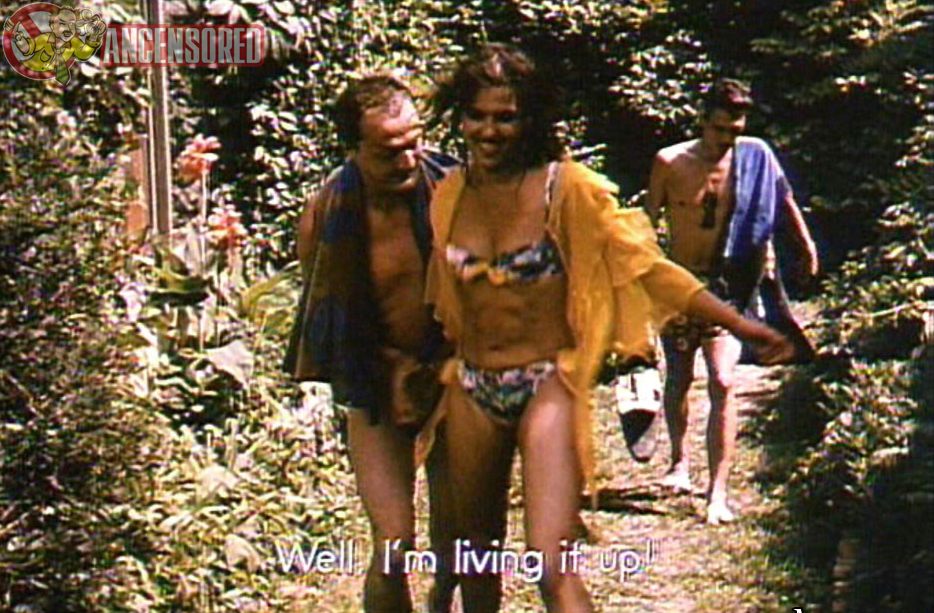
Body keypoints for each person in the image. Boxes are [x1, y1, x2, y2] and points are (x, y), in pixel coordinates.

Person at [427, 45, 794, 613]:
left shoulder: (566, 189)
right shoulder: (448, 194)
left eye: (506, 116)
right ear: (460, 117)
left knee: (552, 562)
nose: (489, 131)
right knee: (477, 556)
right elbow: (435, 296)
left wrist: (742, 325)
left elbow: (646, 267)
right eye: (477, 115)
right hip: (472, 386)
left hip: (546, 385)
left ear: (531, 119)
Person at [283, 74, 459, 613]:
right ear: (353, 148)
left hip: (456, 376)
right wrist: (393, 369)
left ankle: (444, 596)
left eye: (415, 142)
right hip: (374, 384)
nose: (407, 160)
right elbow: (332, 317)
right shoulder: (328, 214)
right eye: (388, 151)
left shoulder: (458, 190)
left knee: (458, 543)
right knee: (392, 544)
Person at [646, 78, 819, 525]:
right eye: (719, 128)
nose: (727, 138)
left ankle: (717, 493)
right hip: (681, 286)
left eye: (735, 129)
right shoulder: (669, 162)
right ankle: (679, 462)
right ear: (702, 120)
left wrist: (805, 244)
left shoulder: (754, 156)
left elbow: (782, 198)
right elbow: (645, 225)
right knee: (679, 376)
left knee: (723, 381)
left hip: (728, 286)